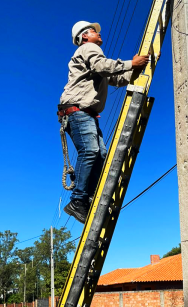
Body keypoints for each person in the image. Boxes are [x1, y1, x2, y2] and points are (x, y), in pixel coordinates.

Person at [58, 21, 149, 223]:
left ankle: (87, 196)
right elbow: (103, 65)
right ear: (83, 37)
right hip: (78, 111)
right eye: (93, 31)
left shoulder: (95, 60)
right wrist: (132, 64)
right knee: (90, 151)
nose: (98, 34)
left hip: (84, 113)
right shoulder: (88, 49)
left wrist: (140, 65)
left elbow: (117, 79)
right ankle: (78, 200)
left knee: (101, 155)